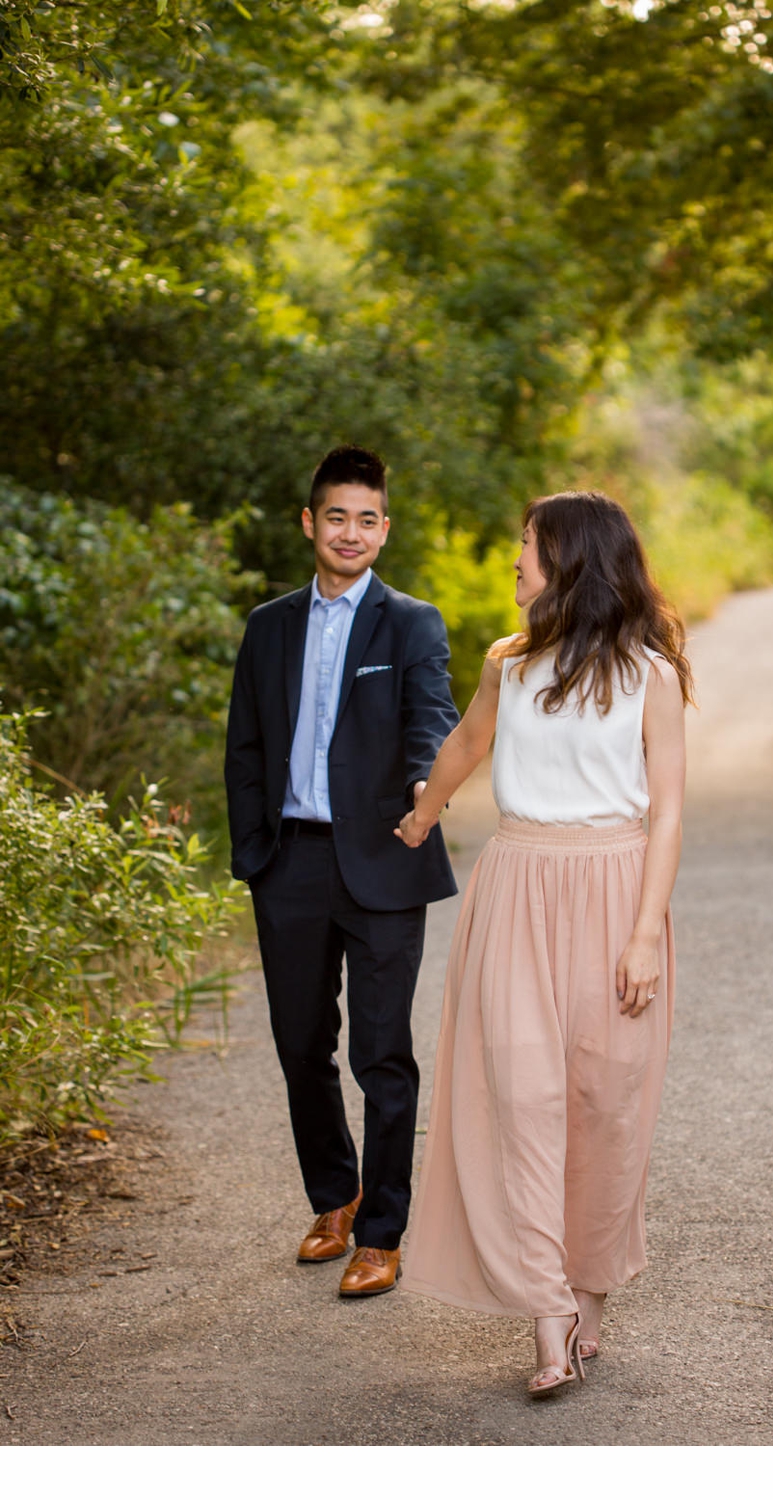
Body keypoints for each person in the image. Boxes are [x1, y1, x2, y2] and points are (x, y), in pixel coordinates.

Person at [395, 490, 691, 1392]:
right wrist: (424, 808)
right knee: (519, 1096)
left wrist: (644, 934)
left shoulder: (651, 675)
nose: (514, 562)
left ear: (572, 561)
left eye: (526, 546)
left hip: (613, 889)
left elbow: (669, 806)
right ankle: (547, 1311)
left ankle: (587, 1283)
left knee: (605, 1103)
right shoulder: (507, 664)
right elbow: (467, 745)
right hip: (517, 886)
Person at [224, 445, 460, 1297]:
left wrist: (427, 789)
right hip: (288, 861)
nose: (350, 532)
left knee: (383, 1053)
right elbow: (244, 748)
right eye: (336, 516)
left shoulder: (412, 623)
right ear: (309, 523)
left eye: (367, 518)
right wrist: (256, 853)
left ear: (384, 530)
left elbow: (433, 716)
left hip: (387, 858)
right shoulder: (268, 626)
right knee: (299, 1044)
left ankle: (384, 1232)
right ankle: (335, 1197)